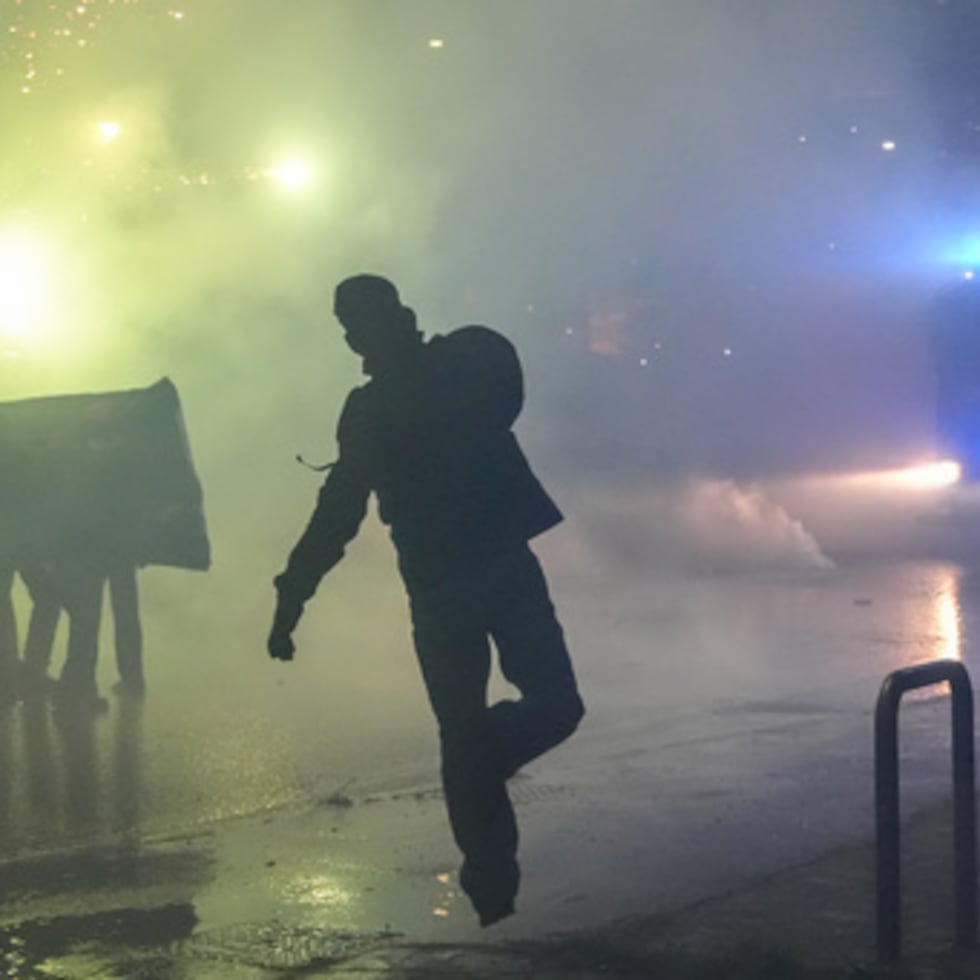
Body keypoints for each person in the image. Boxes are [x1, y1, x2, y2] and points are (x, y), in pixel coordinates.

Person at [268, 274, 584, 926]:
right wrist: (293, 593)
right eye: (350, 328)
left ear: (392, 318)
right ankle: (492, 889)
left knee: (518, 723)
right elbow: (339, 512)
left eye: (359, 325)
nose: (356, 338)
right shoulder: (410, 390)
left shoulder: (448, 371)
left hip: (476, 576)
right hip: (461, 582)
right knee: (526, 717)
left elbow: (339, 513)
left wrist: (293, 596)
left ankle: (483, 813)